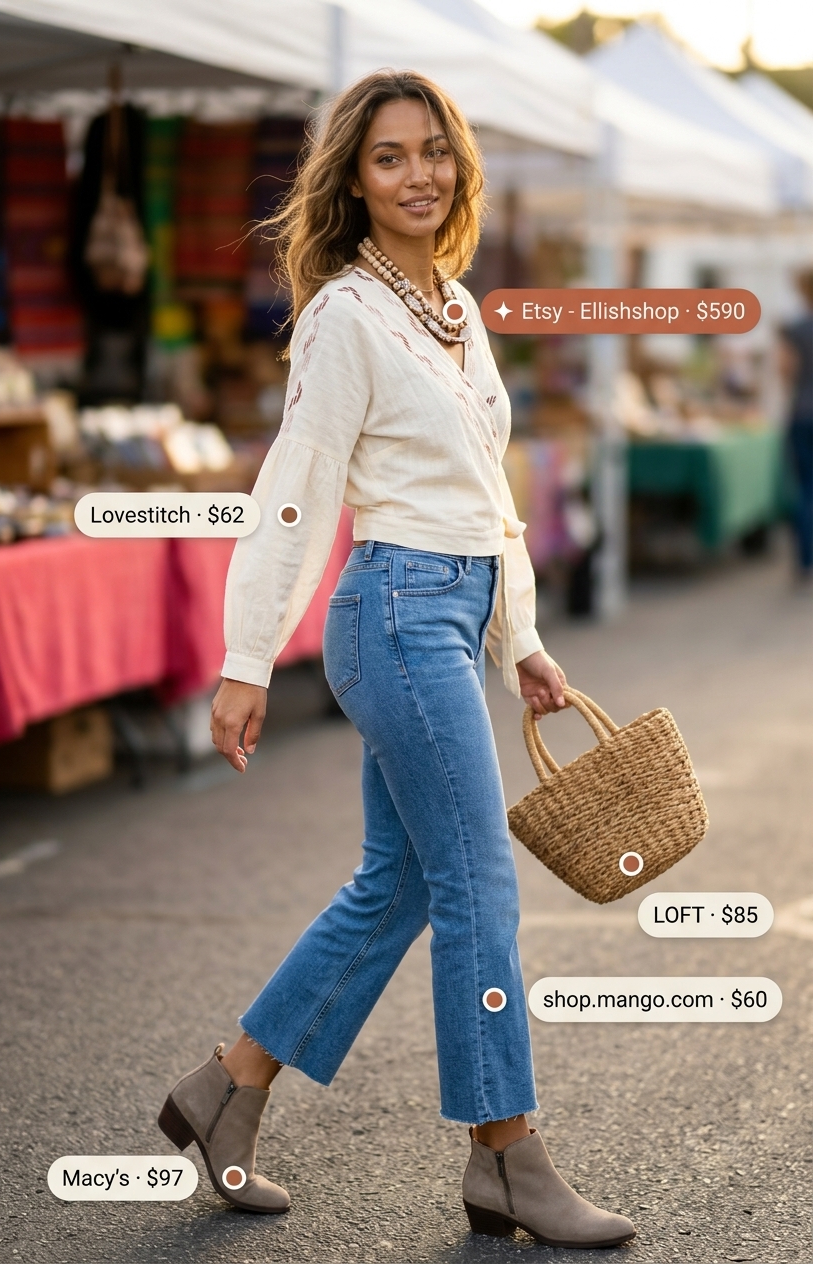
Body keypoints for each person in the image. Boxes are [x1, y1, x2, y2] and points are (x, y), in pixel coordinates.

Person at [158, 70, 635, 1250]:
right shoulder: (344, 314)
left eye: (432, 151)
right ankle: (505, 1154)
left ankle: (226, 1087)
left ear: (456, 167)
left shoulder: (455, 309)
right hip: (394, 612)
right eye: (388, 157)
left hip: (451, 614)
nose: (416, 173)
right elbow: (295, 488)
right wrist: (247, 657)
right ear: (354, 181)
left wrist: (520, 638)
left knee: (405, 882)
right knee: (477, 880)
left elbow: (488, 496)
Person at [780, 268, 813, 580]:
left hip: (802, 412)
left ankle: (806, 560)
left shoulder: (796, 329)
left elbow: (786, 370)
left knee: (804, 488)